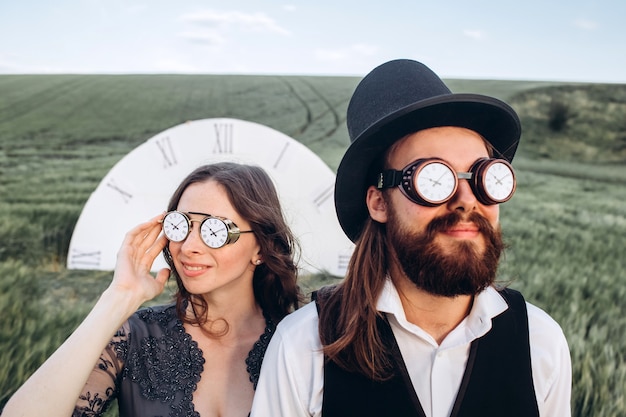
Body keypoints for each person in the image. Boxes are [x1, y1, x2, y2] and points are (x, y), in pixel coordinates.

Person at [250, 59, 572, 417]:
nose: (467, 201)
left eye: (484, 178)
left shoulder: (540, 343)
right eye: (433, 178)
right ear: (378, 202)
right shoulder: (303, 347)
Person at [2, 161, 302, 417]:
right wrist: (118, 298)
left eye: (216, 230)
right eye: (181, 224)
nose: (189, 246)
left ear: (261, 248)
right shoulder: (135, 338)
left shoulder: (299, 343)